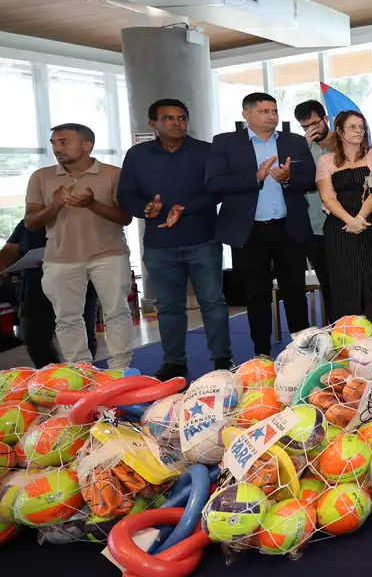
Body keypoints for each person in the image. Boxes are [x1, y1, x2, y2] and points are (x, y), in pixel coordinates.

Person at [117, 99, 231, 380]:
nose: (177, 123)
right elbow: (125, 194)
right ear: (152, 123)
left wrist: (185, 208)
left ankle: (222, 359)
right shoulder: (137, 155)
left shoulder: (206, 151)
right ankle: (174, 361)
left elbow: (217, 190)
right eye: (168, 118)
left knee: (213, 302)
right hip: (159, 244)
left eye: (182, 118)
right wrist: (145, 208)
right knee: (168, 307)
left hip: (202, 239)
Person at [207, 93, 317, 358]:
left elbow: (311, 180)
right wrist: (254, 177)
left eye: (274, 111)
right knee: (256, 295)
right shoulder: (225, 143)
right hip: (249, 231)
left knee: (295, 291)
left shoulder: (294, 141)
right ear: (247, 115)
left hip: (288, 228)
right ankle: (262, 353)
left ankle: (302, 350)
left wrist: (288, 178)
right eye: (265, 111)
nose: (272, 116)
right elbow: (213, 183)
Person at [24, 123, 134, 369]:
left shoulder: (113, 174)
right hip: (60, 258)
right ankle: (80, 370)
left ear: (87, 145)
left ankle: (120, 369)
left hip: (109, 254)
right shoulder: (41, 177)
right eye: (54, 143)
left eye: (64, 142)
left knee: (117, 312)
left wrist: (92, 204)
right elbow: (31, 222)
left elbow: (125, 217)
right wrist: (56, 204)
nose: (57, 148)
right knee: (67, 318)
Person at [316, 110, 372, 317]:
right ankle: (347, 333)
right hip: (340, 227)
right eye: (352, 127)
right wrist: (350, 221)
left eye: (361, 127)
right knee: (344, 282)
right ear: (339, 131)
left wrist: (360, 218)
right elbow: (328, 197)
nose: (359, 131)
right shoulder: (326, 160)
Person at [2, 221, 99, 366]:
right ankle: (52, 374)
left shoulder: (81, 217)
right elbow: (10, 249)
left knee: (82, 336)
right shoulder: (30, 221)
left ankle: (83, 371)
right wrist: (3, 264)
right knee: (35, 338)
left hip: (77, 283)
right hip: (35, 287)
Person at [294, 100, 333, 288]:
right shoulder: (301, 148)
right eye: (305, 126)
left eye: (315, 123)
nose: (312, 129)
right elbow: (293, 180)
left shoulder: (344, 143)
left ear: (325, 119)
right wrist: (304, 149)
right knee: (326, 281)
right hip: (314, 226)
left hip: (344, 222)